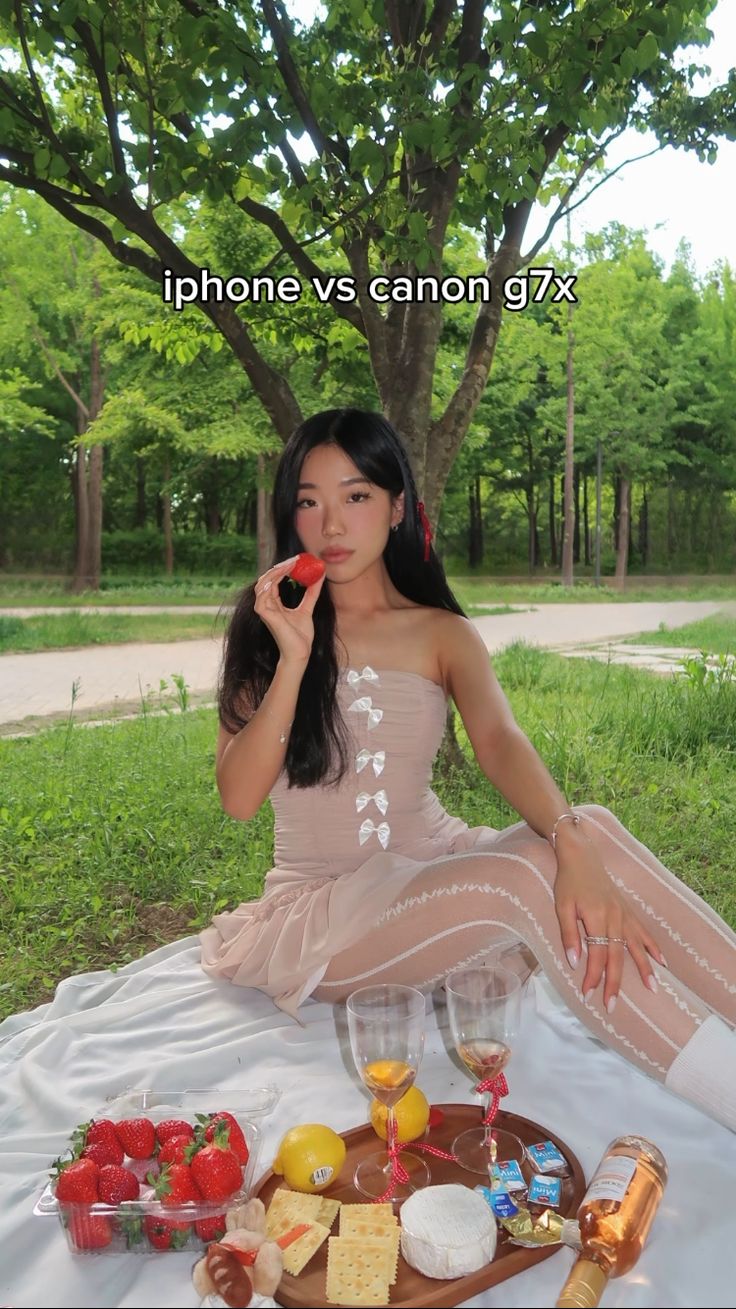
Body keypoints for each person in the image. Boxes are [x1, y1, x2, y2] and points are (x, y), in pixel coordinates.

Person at [201, 408, 736, 1133]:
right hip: (329, 914)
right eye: (309, 499)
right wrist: (294, 656)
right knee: (513, 880)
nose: (331, 523)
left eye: (355, 496)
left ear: (396, 506)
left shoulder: (441, 631)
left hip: (434, 866)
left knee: (595, 829)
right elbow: (237, 796)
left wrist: (572, 840)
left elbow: (500, 740)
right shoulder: (268, 628)